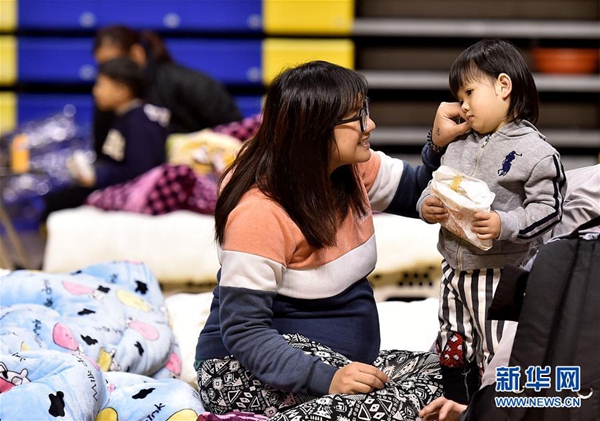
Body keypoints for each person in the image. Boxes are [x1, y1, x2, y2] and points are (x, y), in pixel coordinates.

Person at [193, 60, 467, 419]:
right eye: (357, 117)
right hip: (243, 370)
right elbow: (244, 331)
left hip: (342, 364)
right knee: (396, 404)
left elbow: (421, 192)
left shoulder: (350, 168)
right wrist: (328, 379)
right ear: (315, 131)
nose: (370, 125)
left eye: (365, 111)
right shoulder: (260, 210)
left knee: (454, 378)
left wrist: (439, 143)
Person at [417, 39, 567, 404]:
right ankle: (456, 405)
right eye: (459, 98)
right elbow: (436, 185)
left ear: (503, 86)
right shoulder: (458, 144)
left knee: (498, 351)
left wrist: (505, 223)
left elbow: (549, 209)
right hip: (454, 269)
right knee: (453, 344)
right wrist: (426, 205)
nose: (463, 106)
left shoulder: (536, 151)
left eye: (469, 93)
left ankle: (494, 408)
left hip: (503, 273)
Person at [43, 57, 169, 217]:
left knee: (56, 203)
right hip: (115, 188)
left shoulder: (140, 122)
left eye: (101, 85)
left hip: (133, 197)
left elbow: (140, 173)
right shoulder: (124, 118)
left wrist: (98, 177)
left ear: (121, 90)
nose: (96, 91)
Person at [92, 25, 242, 154]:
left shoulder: (191, 84)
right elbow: (103, 154)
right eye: (101, 66)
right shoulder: (108, 99)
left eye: (112, 63)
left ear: (137, 54)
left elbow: (237, 134)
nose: (106, 73)